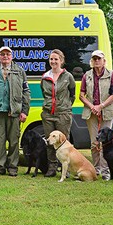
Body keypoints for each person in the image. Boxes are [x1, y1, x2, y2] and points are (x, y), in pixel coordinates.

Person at [0, 46, 31, 176]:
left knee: (14, 141)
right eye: (2, 54)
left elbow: (26, 92)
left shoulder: (20, 71)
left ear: (12, 56)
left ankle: (12, 167)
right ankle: (0, 167)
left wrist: (24, 111)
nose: (5, 56)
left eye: (7, 54)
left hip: (14, 112)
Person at [79, 50, 113, 181]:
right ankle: (96, 169)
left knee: (106, 143)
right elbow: (81, 95)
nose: (96, 61)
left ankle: (106, 170)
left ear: (104, 60)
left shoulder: (111, 75)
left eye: (99, 59)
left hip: (106, 112)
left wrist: (101, 106)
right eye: (94, 59)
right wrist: (92, 107)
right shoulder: (86, 75)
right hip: (91, 112)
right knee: (94, 142)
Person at [40, 49, 76, 177]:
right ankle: (52, 167)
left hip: (63, 114)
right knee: (50, 141)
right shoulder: (45, 77)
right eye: (51, 59)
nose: (53, 61)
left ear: (61, 60)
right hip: (48, 114)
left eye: (56, 59)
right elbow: (45, 94)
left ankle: (65, 169)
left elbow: (72, 95)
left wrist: (64, 106)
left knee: (63, 142)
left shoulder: (68, 76)